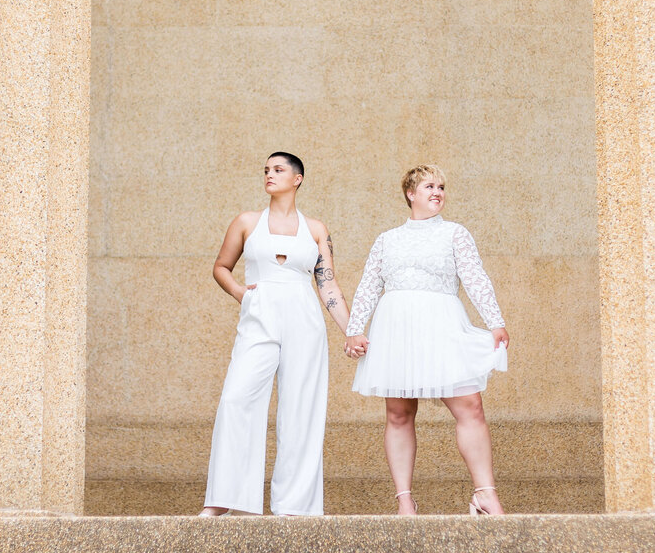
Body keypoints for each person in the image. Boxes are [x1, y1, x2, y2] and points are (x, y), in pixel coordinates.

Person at [344, 164, 510, 516]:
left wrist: (495, 321)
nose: (437, 192)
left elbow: (475, 277)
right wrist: (355, 329)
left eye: (441, 187)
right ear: (410, 193)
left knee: (470, 406)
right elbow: (368, 286)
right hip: (396, 328)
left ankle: (485, 494)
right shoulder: (387, 239)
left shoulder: (455, 233)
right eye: (429, 186)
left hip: (442, 325)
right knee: (399, 413)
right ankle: (405, 501)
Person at [200, 152, 352, 516]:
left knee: (301, 408)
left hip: (304, 317)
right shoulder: (247, 222)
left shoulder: (316, 229)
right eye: (266, 170)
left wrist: (352, 331)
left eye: (278, 170)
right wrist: (243, 295)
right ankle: (227, 499)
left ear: (297, 179)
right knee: (237, 398)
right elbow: (221, 267)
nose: (269, 175)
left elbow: (328, 285)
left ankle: (295, 507)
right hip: (260, 315)